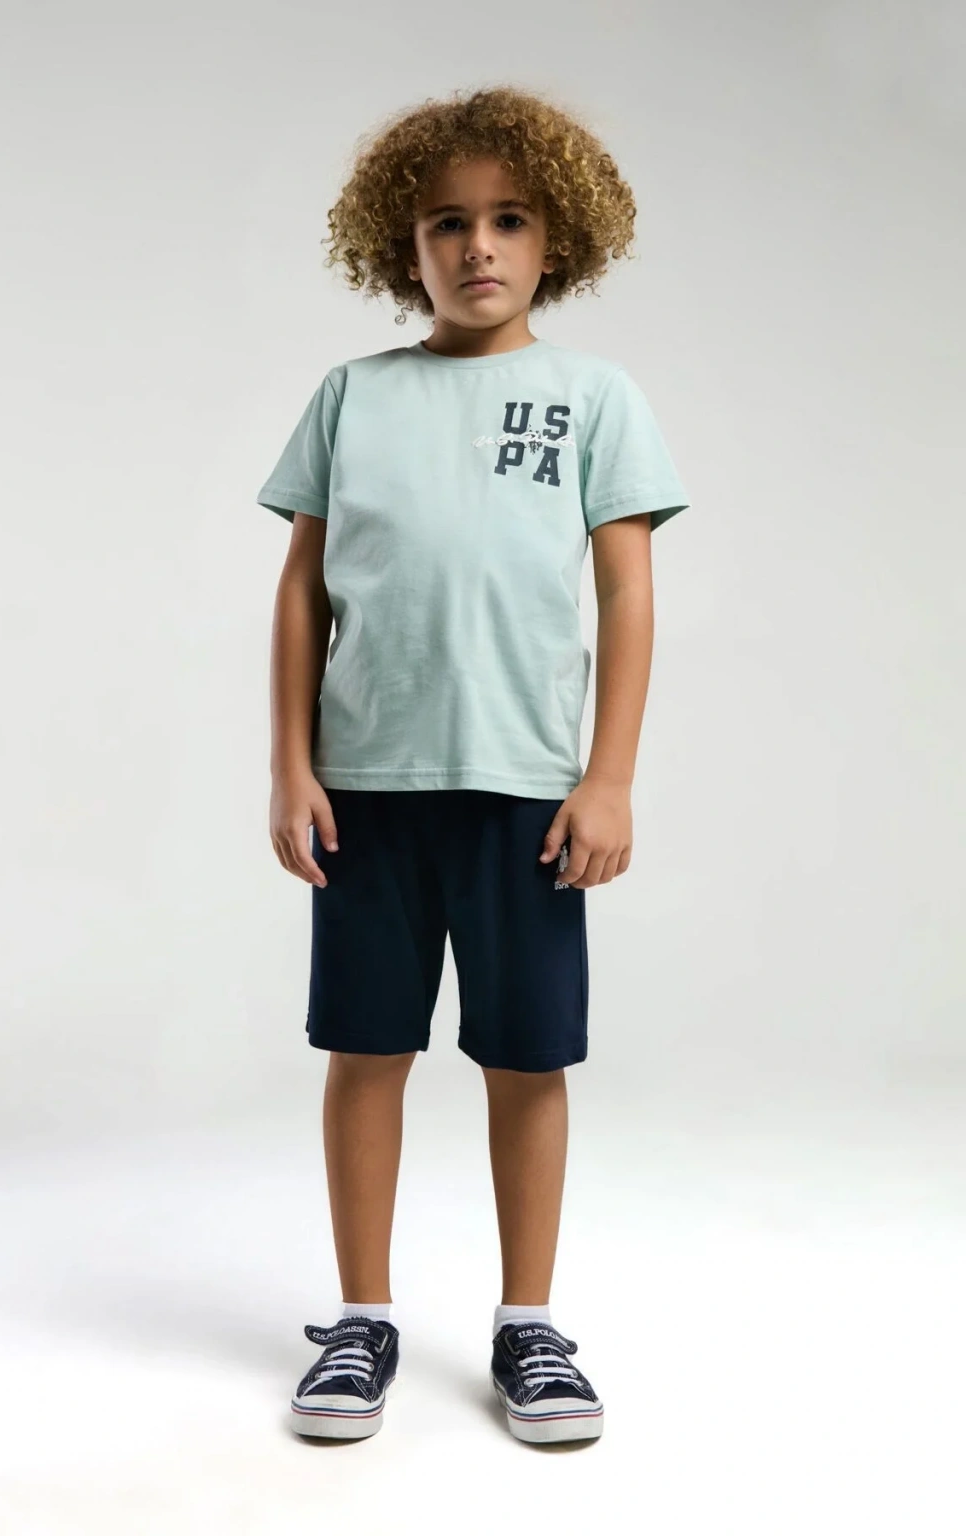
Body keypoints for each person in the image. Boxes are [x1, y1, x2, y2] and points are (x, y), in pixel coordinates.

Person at [257, 84, 690, 1445]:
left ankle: (528, 1326)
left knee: (526, 1058)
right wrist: (291, 763)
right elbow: (303, 588)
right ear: (406, 244)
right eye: (448, 222)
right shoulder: (353, 397)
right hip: (368, 792)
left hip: (527, 792)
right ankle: (363, 1320)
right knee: (366, 1049)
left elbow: (626, 593)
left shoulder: (594, 399)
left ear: (559, 240)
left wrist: (609, 776)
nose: (478, 246)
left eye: (508, 219)